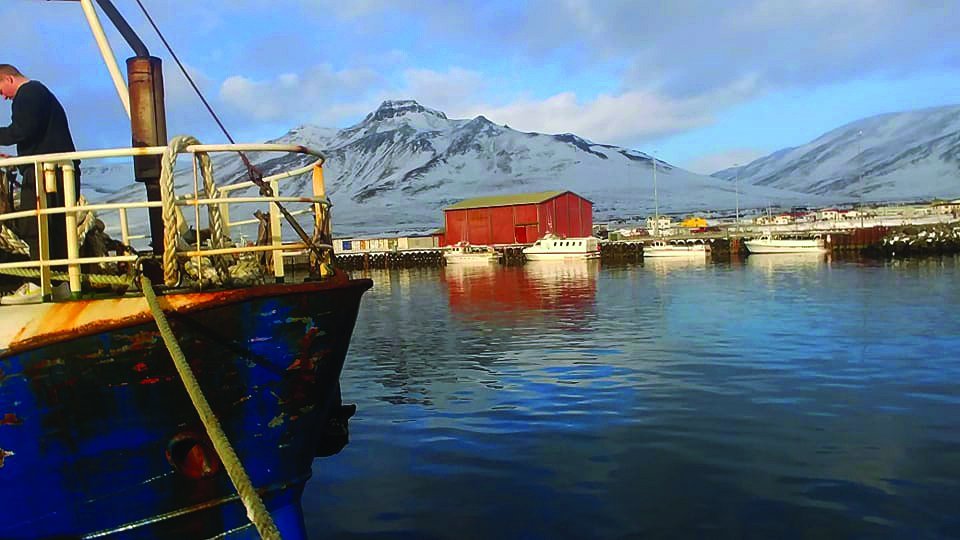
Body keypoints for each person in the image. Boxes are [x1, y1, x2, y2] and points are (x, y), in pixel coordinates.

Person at [0, 64, 80, 303]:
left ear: (8, 78)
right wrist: (18, 160)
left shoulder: (29, 93)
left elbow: (22, 131)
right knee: (54, 228)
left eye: (1, 89)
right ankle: (60, 283)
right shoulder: (40, 93)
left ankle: (39, 283)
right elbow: (39, 136)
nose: (3, 96)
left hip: (48, 173)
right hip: (52, 170)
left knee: (35, 226)